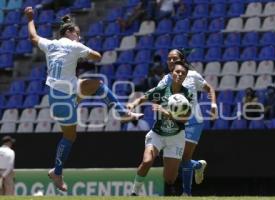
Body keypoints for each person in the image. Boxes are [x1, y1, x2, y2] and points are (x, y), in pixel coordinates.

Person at [24, 7, 143, 191]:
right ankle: (57, 172)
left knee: (95, 85)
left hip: (58, 96)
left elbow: (33, 37)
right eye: (77, 34)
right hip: (65, 97)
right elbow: (97, 56)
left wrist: (30, 18)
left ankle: (122, 112)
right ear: (70, 32)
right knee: (70, 136)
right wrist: (82, 53)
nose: (79, 37)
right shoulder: (75, 46)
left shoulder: (51, 44)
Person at [127, 61, 193, 196]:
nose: (180, 74)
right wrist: (132, 104)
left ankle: (196, 165)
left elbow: (185, 119)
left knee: (170, 179)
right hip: (157, 134)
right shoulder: (162, 90)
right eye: (177, 72)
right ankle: (134, 193)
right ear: (172, 73)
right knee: (147, 161)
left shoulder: (187, 94)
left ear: (186, 76)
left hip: (176, 137)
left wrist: (167, 113)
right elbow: (143, 97)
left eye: (183, 73)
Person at [157, 49, 217, 196]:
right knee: (180, 159)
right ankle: (198, 165)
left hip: (194, 122)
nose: (171, 61)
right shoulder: (166, 79)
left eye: (174, 58)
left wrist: (213, 105)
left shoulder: (192, 76)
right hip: (176, 124)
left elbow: (209, 88)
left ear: (181, 60)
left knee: (184, 158)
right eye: (169, 59)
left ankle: (187, 193)